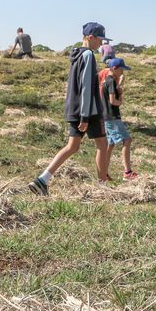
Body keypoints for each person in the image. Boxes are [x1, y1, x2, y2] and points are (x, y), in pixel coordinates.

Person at [28, 22, 112, 195]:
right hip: (89, 110)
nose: (102, 44)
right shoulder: (88, 54)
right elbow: (86, 86)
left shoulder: (76, 54)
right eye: (100, 39)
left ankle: (42, 180)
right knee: (102, 144)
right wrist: (85, 116)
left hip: (75, 108)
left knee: (72, 147)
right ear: (90, 37)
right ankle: (102, 188)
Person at [100, 57, 136, 180]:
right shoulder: (111, 81)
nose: (122, 72)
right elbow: (112, 101)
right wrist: (120, 102)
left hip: (107, 117)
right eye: (121, 70)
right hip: (112, 117)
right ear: (114, 68)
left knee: (110, 145)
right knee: (127, 140)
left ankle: (104, 173)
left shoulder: (107, 81)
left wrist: (119, 87)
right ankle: (127, 172)